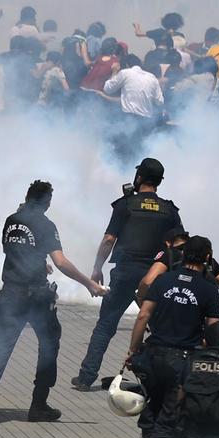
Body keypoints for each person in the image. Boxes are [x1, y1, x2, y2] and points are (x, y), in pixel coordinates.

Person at [0, 181, 107, 428]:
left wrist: (38, 263)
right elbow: (61, 262)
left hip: (10, 294)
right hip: (36, 298)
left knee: (0, 349)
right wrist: (89, 284)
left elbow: (14, 251)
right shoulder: (46, 224)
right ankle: (38, 404)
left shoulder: (11, 219)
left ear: (27, 196)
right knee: (49, 344)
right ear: (46, 202)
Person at [73, 158, 182, 392]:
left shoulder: (125, 205)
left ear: (140, 177)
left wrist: (97, 268)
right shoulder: (169, 210)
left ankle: (85, 378)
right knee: (160, 329)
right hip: (155, 276)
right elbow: (179, 244)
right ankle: (165, 379)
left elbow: (109, 239)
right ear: (159, 182)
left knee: (106, 325)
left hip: (125, 272)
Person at [125, 236, 219, 438]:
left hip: (153, 356)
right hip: (182, 362)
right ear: (208, 257)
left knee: (151, 415)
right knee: (168, 421)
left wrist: (133, 350)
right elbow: (213, 334)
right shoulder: (209, 290)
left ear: (182, 255)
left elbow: (143, 315)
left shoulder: (164, 280)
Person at [137, 228, 219, 308]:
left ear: (168, 243)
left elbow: (147, 281)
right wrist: (214, 307)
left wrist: (141, 299)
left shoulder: (169, 254)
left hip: (170, 314)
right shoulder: (206, 258)